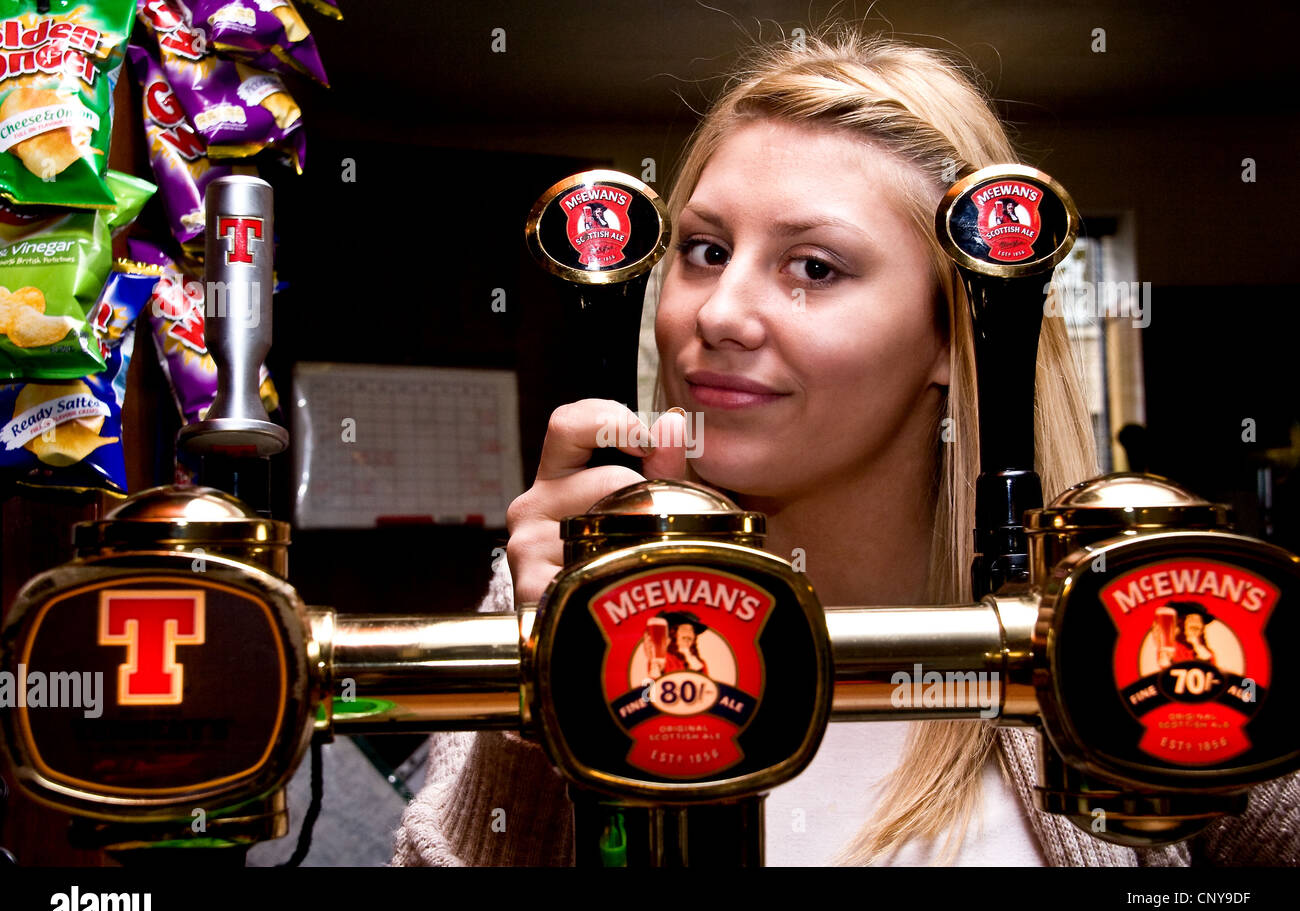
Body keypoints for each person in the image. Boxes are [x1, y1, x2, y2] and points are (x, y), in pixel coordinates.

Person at [393, 26, 1299, 867]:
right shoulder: (541, 597)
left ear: (960, 332)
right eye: (705, 251)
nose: (716, 313)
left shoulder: (1132, 617)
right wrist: (541, 692)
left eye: (814, 268)